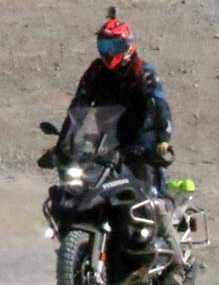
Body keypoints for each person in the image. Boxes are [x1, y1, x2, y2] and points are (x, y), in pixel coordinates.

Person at [61, 14, 179, 255]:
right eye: (104, 45)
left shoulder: (143, 72)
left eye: (115, 45)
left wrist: (163, 141)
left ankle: (176, 259)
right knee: (78, 193)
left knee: (153, 203)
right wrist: (64, 143)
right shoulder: (95, 72)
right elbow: (78, 108)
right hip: (106, 145)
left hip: (142, 147)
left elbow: (160, 107)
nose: (109, 51)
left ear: (128, 45)